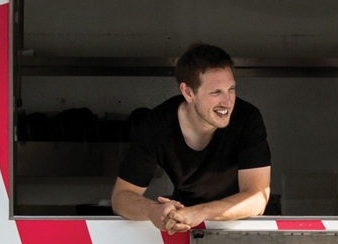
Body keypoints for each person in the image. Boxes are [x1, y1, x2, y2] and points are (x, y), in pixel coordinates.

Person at [111, 44, 272, 233]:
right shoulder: (156, 124)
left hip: (245, 227)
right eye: (216, 92)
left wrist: (200, 212)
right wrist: (154, 211)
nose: (228, 102)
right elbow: (121, 196)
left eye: (231, 89)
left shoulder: (247, 118)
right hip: (184, 228)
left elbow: (257, 198)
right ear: (188, 92)